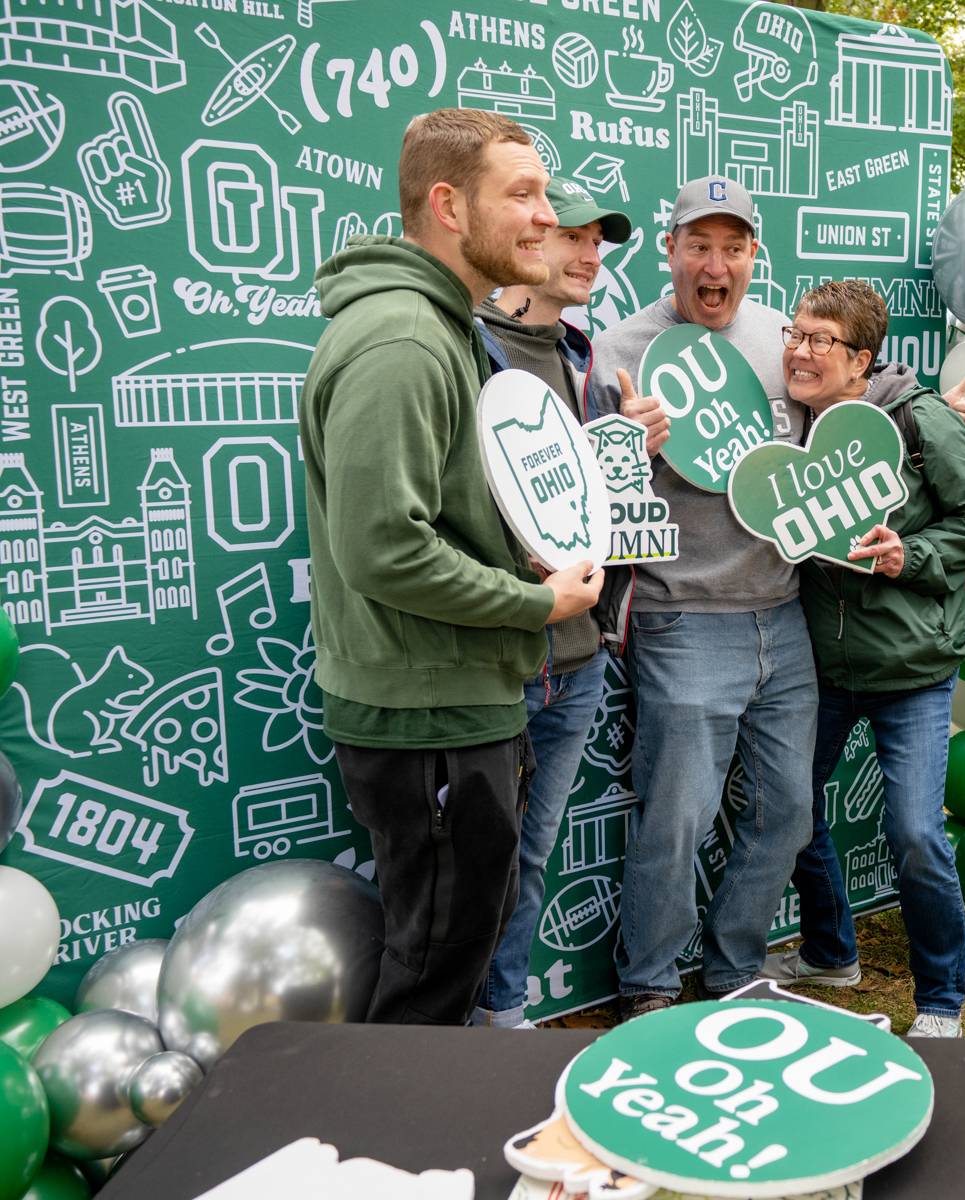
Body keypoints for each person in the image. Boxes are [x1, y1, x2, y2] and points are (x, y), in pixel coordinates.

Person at [300, 109, 603, 1026]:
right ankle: (395, 1161)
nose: (548, 217)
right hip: (426, 715)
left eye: (546, 193)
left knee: (453, 953)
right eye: (524, 193)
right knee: (431, 980)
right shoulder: (402, 341)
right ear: (447, 206)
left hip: (457, 700)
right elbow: (384, 546)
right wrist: (534, 602)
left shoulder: (439, 326)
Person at [589, 176, 818, 1018]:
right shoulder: (621, 350)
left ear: (754, 255)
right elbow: (590, 503)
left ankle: (734, 968)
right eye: (699, 246)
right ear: (671, 251)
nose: (715, 265)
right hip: (683, 617)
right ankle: (647, 985)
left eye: (733, 247)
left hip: (782, 612)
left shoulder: (781, 337)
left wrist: (927, 411)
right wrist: (626, 446)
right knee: (677, 820)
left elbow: (840, 421)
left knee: (789, 809)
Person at [759, 280, 965, 1038]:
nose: (799, 351)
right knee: (791, 810)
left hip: (913, 669)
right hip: (826, 667)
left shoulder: (919, 416)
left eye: (818, 340)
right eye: (793, 335)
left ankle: (940, 1001)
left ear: (861, 358)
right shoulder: (790, 427)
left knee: (913, 833)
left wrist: (912, 555)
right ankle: (832, 952)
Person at [469, 177, 633, 1029]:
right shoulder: (466, 349)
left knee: (532, 852)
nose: (588, 254)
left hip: (578, 663)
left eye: (598, 241)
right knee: (473, 857)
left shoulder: (584, 359)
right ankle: (452, 1027)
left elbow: (586, 504)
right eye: (572, 235)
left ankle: (503, 1012)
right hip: (498, 661)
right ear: (528, 240)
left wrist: (630, 444)